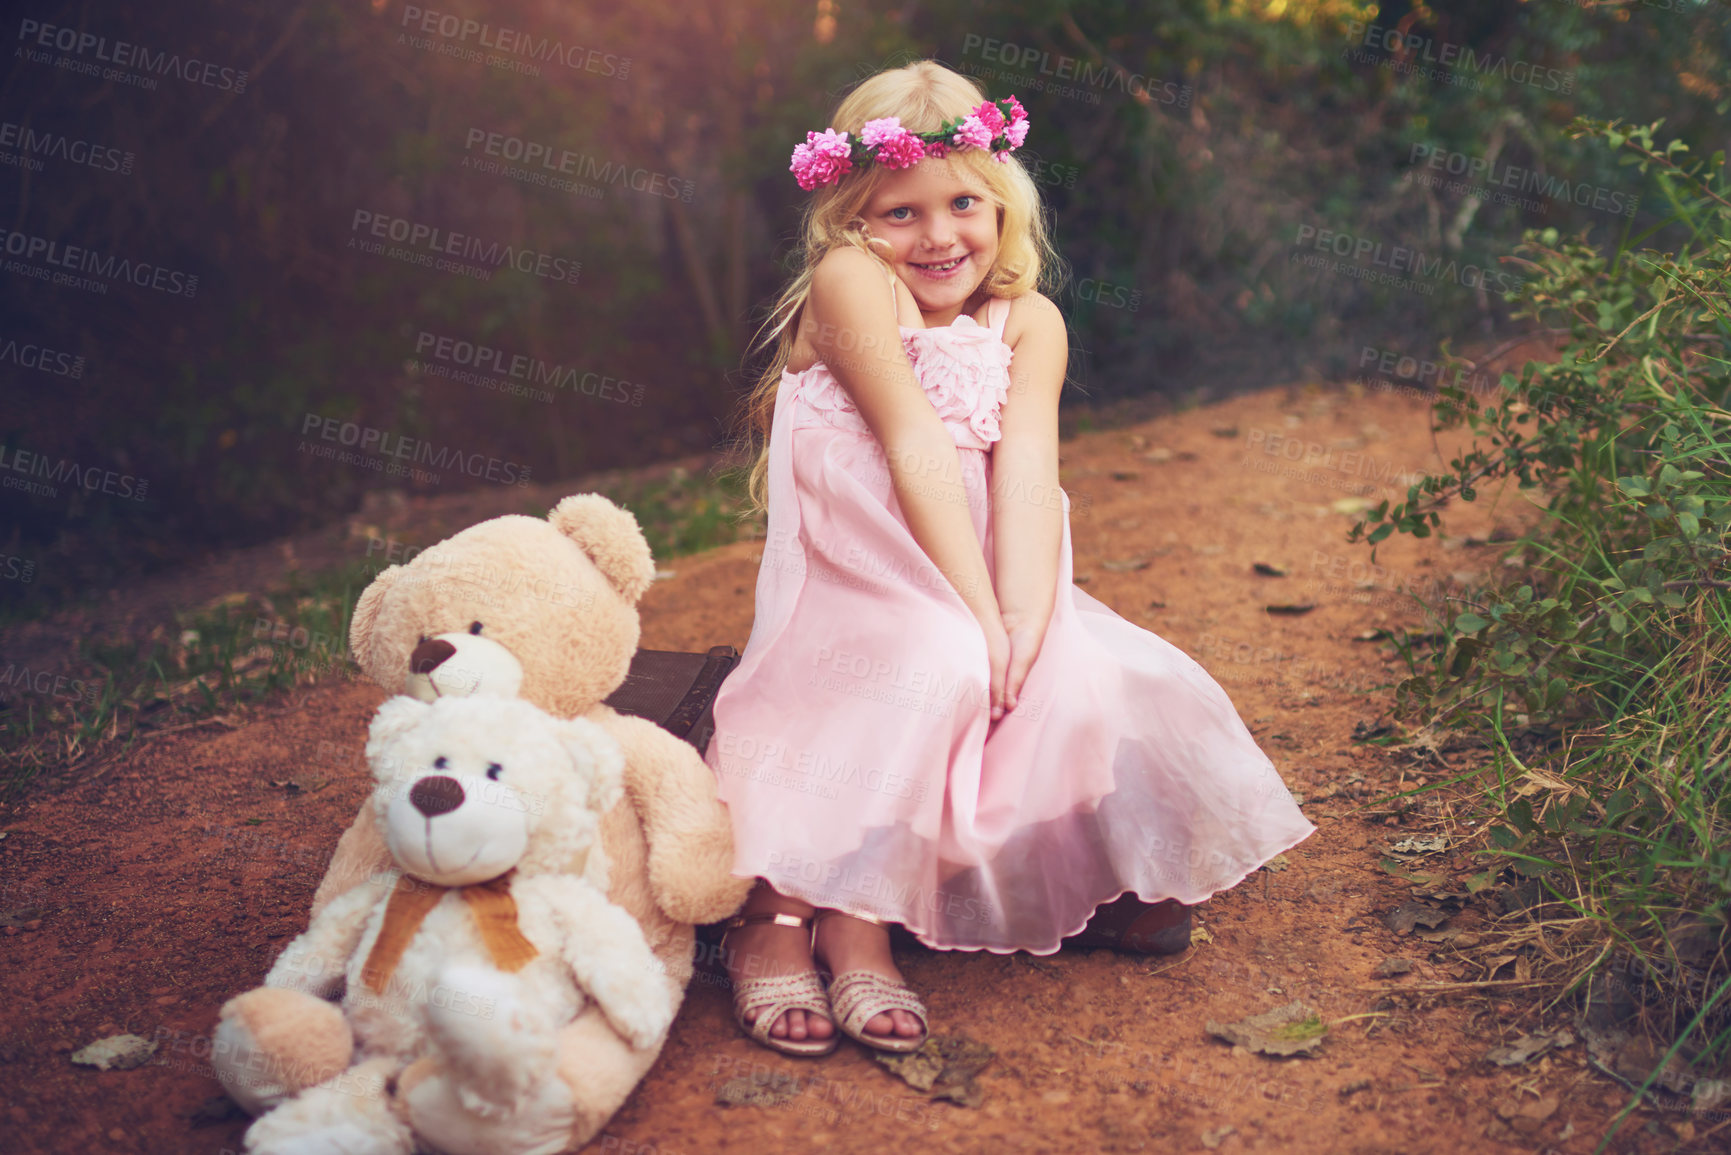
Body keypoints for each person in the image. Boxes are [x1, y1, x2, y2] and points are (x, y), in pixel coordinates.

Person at [702, 60, 1315, 1058]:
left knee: (1099, 681)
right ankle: (779, 915)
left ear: (1003, 205)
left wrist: (1025, 620)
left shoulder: (1029, 320)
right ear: (853, 218)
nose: (939, 235)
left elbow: (1030, 473)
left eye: (964, 204)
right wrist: (977, 621)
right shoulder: (851, 282)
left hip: (984, 573)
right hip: (864, 580)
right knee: (936, 664)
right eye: (900, 212)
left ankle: (944, 896)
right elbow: (911, 443)